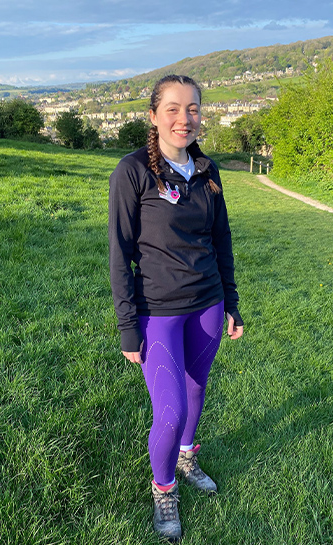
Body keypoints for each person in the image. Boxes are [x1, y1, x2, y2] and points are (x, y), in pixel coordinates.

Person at [108, 74, 243, 541]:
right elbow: (118, 252)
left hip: (207, 303)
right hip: (158, 312)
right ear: (154, 116)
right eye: (173, 108)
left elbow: (220, 238)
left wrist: (232, 302)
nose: (184, 119)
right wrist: (128, 326)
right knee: (169, 411)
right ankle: (163, 488)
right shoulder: (133, 171)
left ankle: (187, 456)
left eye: (193, 109)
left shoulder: (208, 170)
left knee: (196, 390)